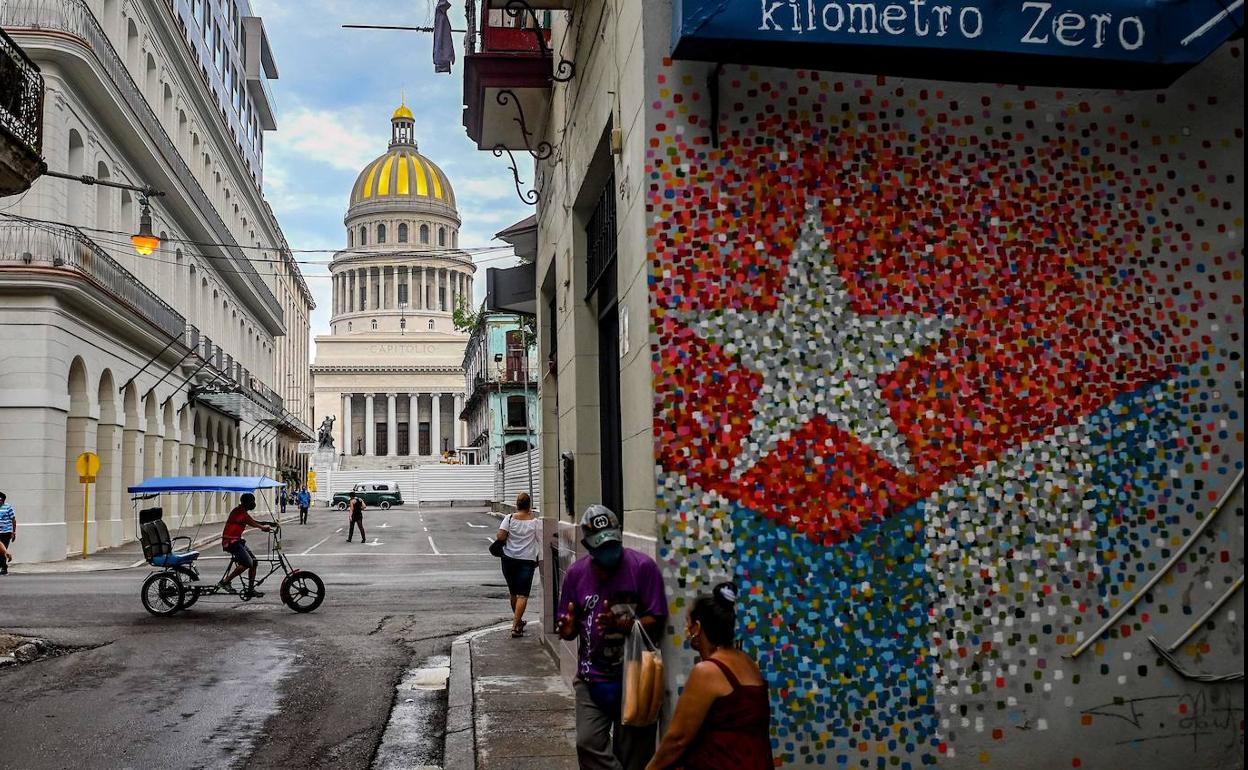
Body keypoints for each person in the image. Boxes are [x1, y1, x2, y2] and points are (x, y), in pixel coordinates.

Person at [557, 505, 668, 770]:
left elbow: (657, 618)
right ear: (588, 546)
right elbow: (567, 629)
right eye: (601, 546)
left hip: (635, 676)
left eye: (612, 542)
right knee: (588, 743)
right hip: (590, 676)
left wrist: (626, 625)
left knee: (634, 755)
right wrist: (568, 626)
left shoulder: (643, 568)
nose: (609, 551)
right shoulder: (576, 575)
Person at [645, 582, 773, 770]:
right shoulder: (748, 663)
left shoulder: (708, 671)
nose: (686, 629)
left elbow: (678, 739)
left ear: (697, 627)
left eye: (688, 623)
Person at [495, 492, 541, 637]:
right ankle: (515, 625)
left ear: (517, 505)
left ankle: (518, 621)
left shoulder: (509, 519)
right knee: (523, 595)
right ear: (529, 506)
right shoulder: (534, 522)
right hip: (527, 561)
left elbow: (500, 536)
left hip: (508, 559)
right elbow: (541, 540)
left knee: (513, 593)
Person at [219, 492, 272, 598]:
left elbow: (251, 520)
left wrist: (268, 523)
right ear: (246, 502)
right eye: (252, 501)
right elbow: (250, 521)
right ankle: (225, 582)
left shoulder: (242, 511)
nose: (253, 503)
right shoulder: (239, 512)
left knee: (254, 562)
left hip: (237, 541)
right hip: (230, 542)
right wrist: (262, 527)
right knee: (248, 563)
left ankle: (250, 589)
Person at [0, 491, 15, 576]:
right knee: (1, 551)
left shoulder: (8, 507)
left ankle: (4, 568)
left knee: (2, 551)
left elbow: (13, 520)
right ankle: (4, 566)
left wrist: (13, 532)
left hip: (6, 532)